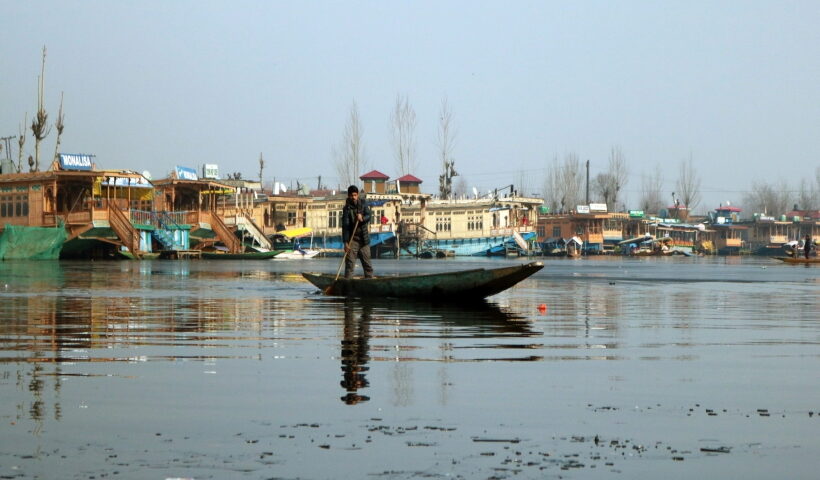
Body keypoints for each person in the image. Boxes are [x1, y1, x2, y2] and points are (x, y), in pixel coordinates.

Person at [342, 185, 373, 279]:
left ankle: (369, 282)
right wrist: (346, 242)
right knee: (350, 264)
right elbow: (345, 226)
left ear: (358, 195)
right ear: (348, 196)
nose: (354, 198)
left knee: (367, 264)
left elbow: (369, 215)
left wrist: (362, 218)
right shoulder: (346, 209)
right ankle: (347, 284)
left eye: (355, 195)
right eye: (352, 196)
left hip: (364, 239)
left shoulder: (363, 203)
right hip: (353, 240)